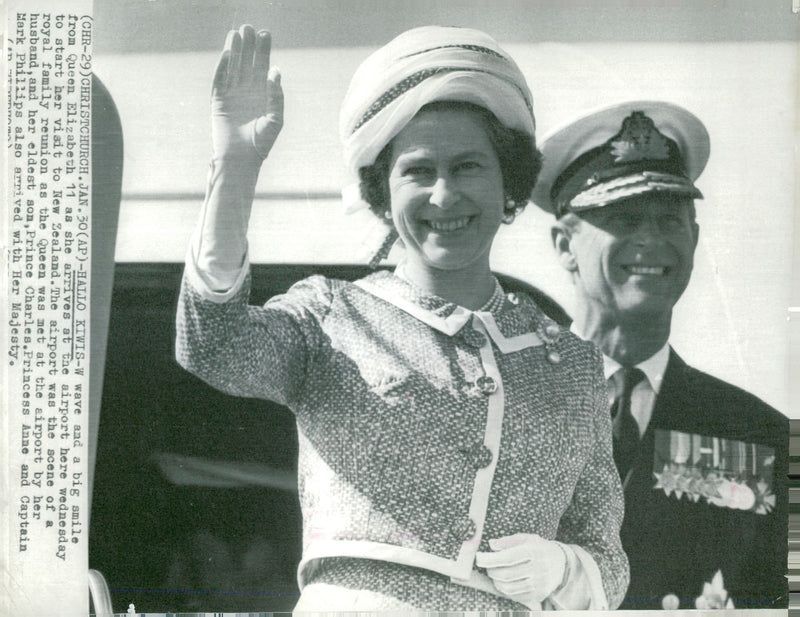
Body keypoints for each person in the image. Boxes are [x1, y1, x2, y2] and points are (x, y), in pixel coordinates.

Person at [175, 24, 629, 611]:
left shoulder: (570, 363)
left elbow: (608, 559)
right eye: (417, 171)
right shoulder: (330, 318)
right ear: (382, 192)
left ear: (507, 183)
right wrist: (234, 170)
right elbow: (212, 346)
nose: (444, 195)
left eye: (468, 167)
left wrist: (565, 569)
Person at [534, 101, 789, 609]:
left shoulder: (759, 433)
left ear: (693, 240)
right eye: (624, 218)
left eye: (671, 221)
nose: (651, 240)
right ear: (564, 246)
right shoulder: (510, 402)